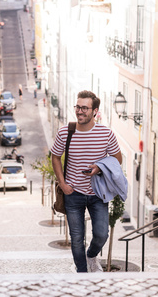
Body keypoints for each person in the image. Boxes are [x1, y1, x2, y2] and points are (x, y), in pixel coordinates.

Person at [51, 90, 122, 273]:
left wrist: (99, 168)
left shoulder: (106, 134)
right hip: (72, 194)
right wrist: (62, 184)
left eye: (84, 108)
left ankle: (91, 255)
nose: (80, 111)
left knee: (101, 234)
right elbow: (55, 157)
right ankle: (82, 275)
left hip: (98, 193)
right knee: (76, 238)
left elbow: (117, 159)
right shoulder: (65, 132)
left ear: (95, 111)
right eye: (78, 107)